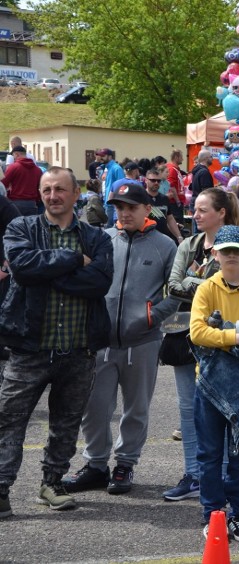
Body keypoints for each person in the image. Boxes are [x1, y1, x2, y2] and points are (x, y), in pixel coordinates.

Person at [0, 167, 113, 518]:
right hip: (28, 347)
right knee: (8, 420)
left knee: (66, 422)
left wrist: (47, 275)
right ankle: (1, 488)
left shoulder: (97, 238)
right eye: (47, 189)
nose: (53, 196)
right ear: (39, 193)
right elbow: (21, 266)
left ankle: (53, 483)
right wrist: (71, 260)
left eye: (60, 189)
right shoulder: (22, 227)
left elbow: (99, 282)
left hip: (78, 349)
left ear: (75, 193)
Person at [63, 181, 178, 496]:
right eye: (119, 207)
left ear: (146, 209)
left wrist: (153, 316)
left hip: (142, 341)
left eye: (131, 207)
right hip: (99, 341)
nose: (124, 213)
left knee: (136, 408)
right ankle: (96, 465)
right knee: (94, 407)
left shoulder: (166, 245)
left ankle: (125, 464)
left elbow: (179, 293)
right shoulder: (102, 240)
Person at [190, 225, 239, 541]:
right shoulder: (206, 288)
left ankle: (236, 513)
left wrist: (219, 333)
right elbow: (197, 333)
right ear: (216, 254)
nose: (232, 256)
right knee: (209, 454)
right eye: (226, 251)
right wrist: (236, 336)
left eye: (238, 250)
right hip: (209, 384)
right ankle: (213, 513)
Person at [143, 168, 183, 244]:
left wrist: (179, 237)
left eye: (158, 181)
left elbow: (170, 219)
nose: (156, 183)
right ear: (146, 180)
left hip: (162, 240)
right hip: (144, 239)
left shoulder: (164, 199)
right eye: (153, 180)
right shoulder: (140, 198)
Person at [3, 146, 42, 217]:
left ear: (17, 154)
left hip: (16, 204)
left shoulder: (13, 167)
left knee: (16, 227)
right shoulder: (38, 170)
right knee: (31, 227)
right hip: (32, 205)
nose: (13, 158)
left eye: (13, 155)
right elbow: (40, 188)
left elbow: (3, 184)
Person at [97, 149, 124, 227]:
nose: (101, 157)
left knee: (113, 228)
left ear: (110, 157)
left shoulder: (116, 168)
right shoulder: (106, 168)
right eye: (100, 156)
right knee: (108, 228)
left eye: (103, 156)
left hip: (113, 203)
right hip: (107, 202)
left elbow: (121, 185)